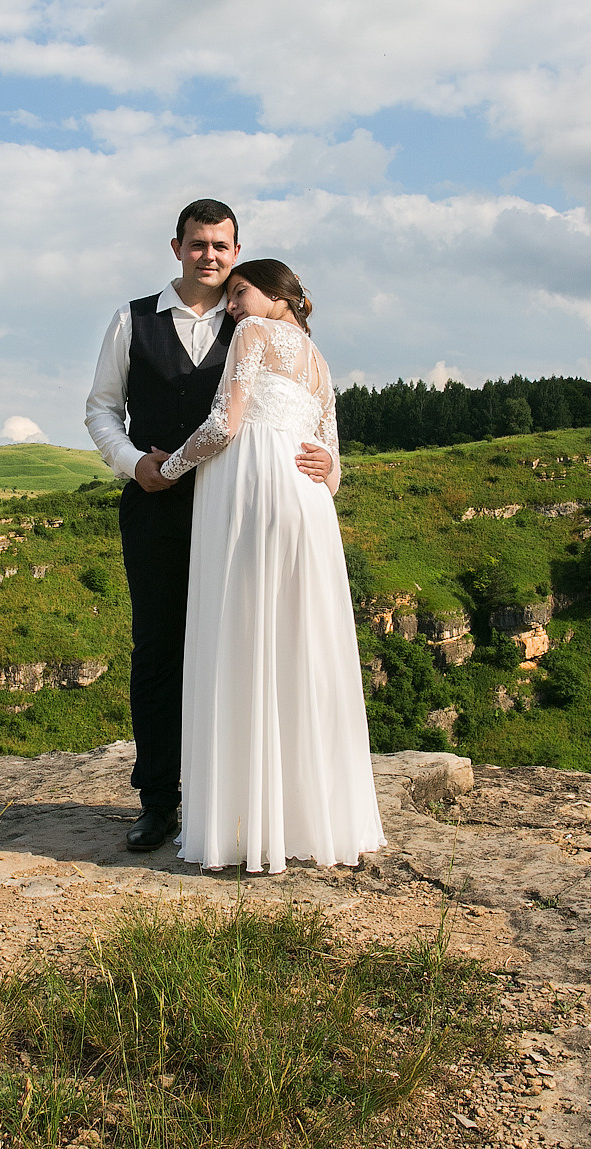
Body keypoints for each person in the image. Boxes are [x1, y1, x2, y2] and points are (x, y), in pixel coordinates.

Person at [85, 201, 334, 854]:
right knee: (160, 652)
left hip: (246, 506)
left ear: (237, 247)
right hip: (158, 505)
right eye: (199, 244)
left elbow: (308, 410)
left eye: (222, 245)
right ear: (177, 247)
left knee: (248, 650)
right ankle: (159, 802)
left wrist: (330, 461)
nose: (211, 256)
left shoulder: (258, 318)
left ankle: (243, 808)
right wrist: (133, 462)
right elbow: (102, 408)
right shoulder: (131, 320)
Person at [148, 259, 384, 872]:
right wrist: (325, 472)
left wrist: (168, 468)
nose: (231, 307)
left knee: (244, 636)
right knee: (302, 643)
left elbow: (226, 424)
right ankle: (312, 821)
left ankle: (246, 822)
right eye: (228, 298)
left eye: (240, 292)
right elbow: (333, 460)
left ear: (277, 294)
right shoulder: (317, 358)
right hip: (305, 502)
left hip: (252, 489)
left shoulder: (254, 335)